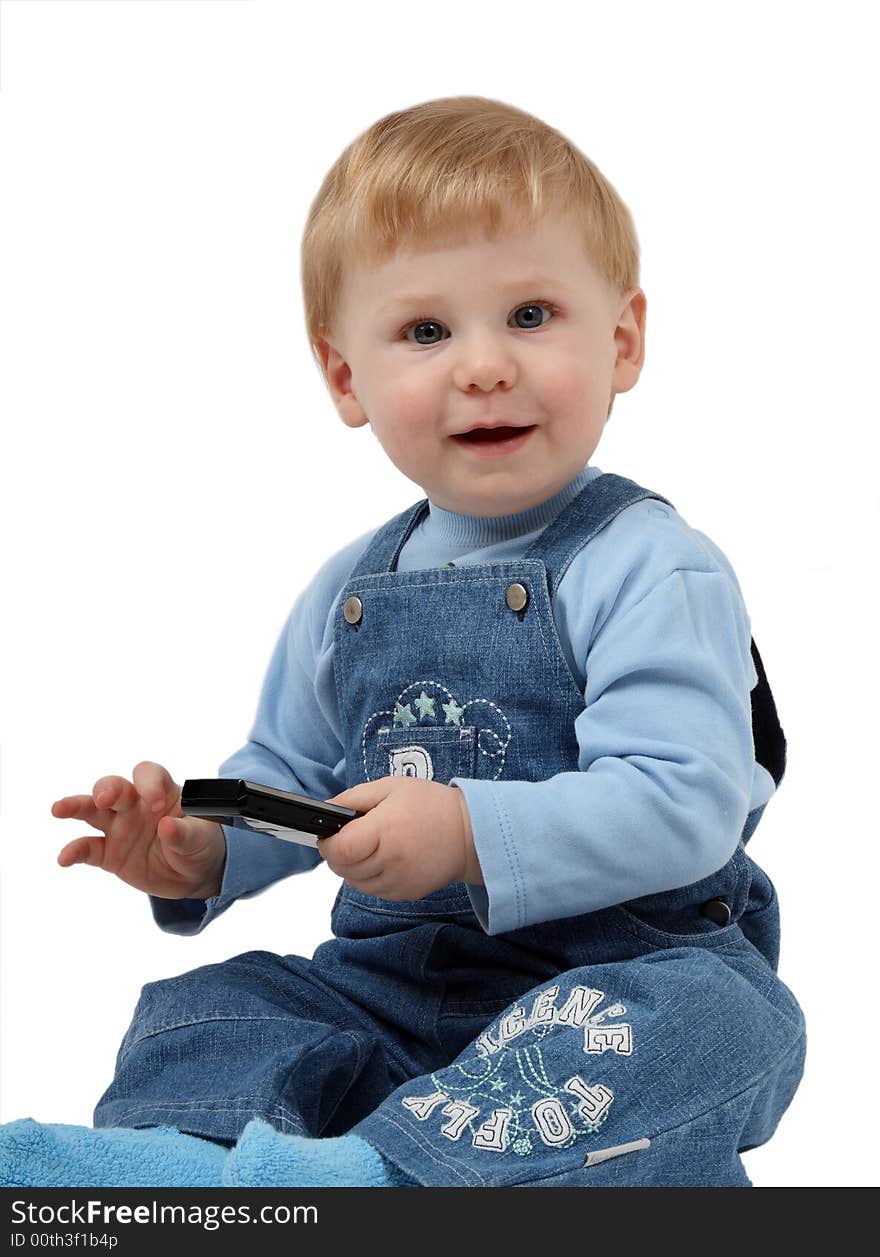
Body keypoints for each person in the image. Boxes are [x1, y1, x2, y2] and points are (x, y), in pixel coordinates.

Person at [0, 95, 806, 1189]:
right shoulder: (350, 589)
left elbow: (684, 802)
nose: (482, 366)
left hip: (608, 985)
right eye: (426, 331)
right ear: (346, 377)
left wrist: (471, 831)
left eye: (530, 315)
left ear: (620, 341)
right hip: (392, 989)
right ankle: (187, 1166)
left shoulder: (650, 566)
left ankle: (377, 1181)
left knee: (714, 1026)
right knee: (217, 1006)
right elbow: (289, 777)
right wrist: (206, 849)